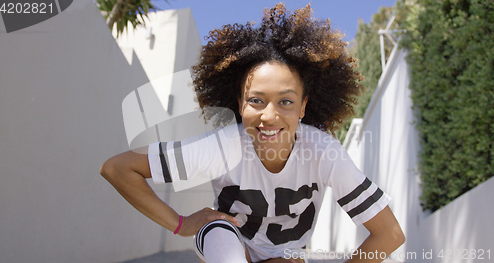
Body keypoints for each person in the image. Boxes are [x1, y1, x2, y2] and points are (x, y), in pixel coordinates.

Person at [100, 3, 405, 263]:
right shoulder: (221, 147)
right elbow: (118, 169)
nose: (269, 116)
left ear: (303, 107)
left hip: (287, 256)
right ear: (239, 105)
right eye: (256, 100)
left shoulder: (323, 151)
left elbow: (389, 234)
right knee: (220, 235)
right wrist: (180, 224)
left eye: (285, 101)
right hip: (232, 247)